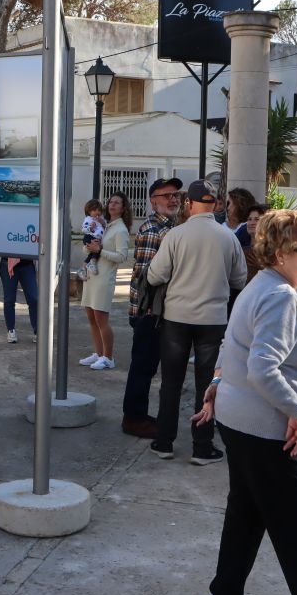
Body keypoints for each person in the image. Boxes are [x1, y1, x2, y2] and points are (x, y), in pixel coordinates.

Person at [194, 209, 297, 595]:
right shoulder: (279, 295)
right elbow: (262, 368)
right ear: (279, 253)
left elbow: (232, 344)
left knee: (246, 517)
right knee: (295, 532)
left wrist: (217, 383)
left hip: (240, 423)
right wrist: (296, 413)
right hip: (264, 430)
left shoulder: (260, 286)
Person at [147, 179, 247, 465]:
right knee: (208, 383)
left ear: (189, 204)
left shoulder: (176, 235)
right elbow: (239, 279)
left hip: (176, 319)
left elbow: (155, 276)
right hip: (214, 321)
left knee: (171, 383)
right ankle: (202, 447)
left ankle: (164, 442)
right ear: (215, 204)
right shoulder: (228, 237)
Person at [121, 177, 183, 439]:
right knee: (142, 367)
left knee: (147, 367)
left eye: (176, 195)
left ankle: (138, 414)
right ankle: (133, 419)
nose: (173, 199)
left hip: (158, 312)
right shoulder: (152, 230)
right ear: (153, 200)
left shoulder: (171, 227)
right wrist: (147, 312)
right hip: (149, 313)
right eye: (167, 195)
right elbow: (145, 277)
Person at [78, 193, 132, 367]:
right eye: (111, 202)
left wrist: (99, 250)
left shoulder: (121, 229)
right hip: (92, 276)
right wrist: (90, 248)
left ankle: (108, 357)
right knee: (91, 317)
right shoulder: (104, 224)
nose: (113, 205)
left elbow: (122, 256)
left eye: (117, 203)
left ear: (123, 208)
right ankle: (99, 353)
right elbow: (89, 247)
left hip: (104, 278)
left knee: (101, 319)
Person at [0, 256, 38, 343]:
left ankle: (37, 330)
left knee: (34, 299)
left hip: (27, 264)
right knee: (9, 299)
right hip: (7, 263)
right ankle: (11, 330)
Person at [78, 199, 107, 278]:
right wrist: (90, 228)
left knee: (92, 253)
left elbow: (106, 227)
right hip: (89, 237)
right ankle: (92, 263)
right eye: (94, 210)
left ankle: (83, 268)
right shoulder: (88, 219)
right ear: (89, 211)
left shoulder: (101, 219)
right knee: (96, 250)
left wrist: (103, 222)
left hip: (96, 238)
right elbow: (84, 229)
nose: (97, 212)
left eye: (99, 210)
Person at [239, 204, 268, 282]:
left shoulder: (273, 250)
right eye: (249, 219)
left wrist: (262, 267)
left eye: (256, 219)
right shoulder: (240, 247)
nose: (252, 223)